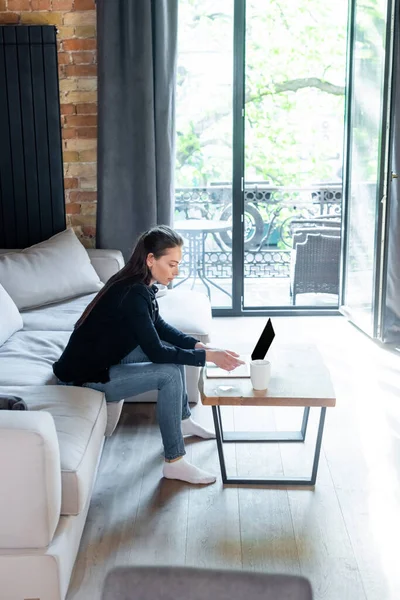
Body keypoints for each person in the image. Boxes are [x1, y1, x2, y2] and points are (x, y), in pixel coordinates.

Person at [53, 225, 243, 485]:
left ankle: (183, 421)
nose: (176, 272)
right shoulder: (132, 293)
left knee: (174, 361)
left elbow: (159, 326)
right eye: (171, 264)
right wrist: (208, 358)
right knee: (167, 373)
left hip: (100, 359)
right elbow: (155, 350)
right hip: (83, 377)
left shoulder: (138, 283)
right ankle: (174, 462)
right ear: (151, 259)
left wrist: (199, 347)